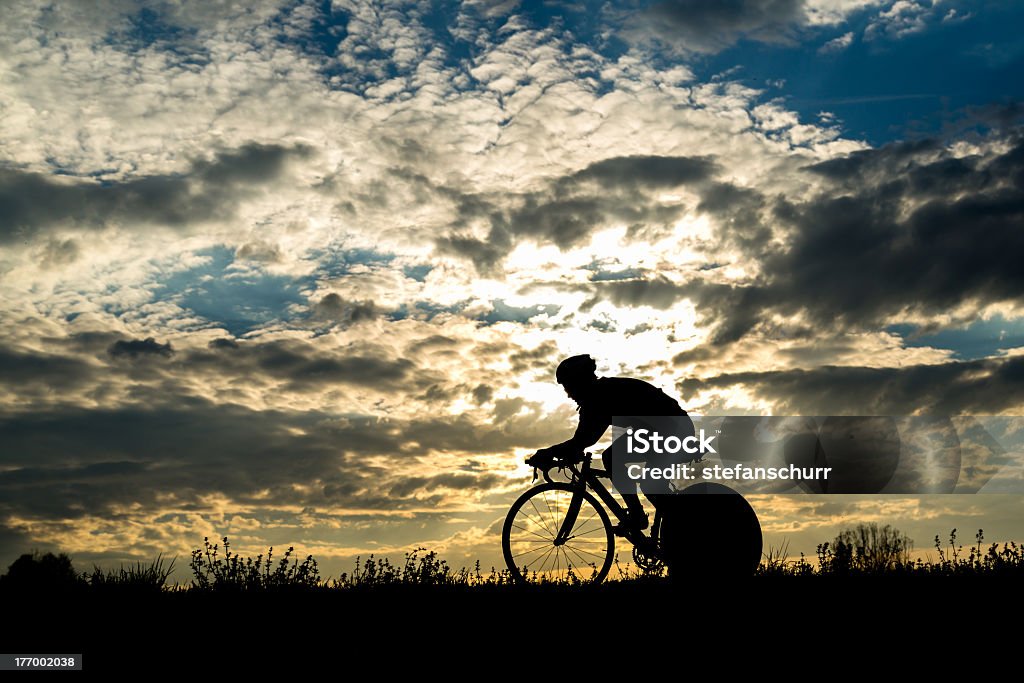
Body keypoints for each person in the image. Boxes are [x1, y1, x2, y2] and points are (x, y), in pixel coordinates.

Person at [530, 354, 693, 533]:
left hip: (672, 430)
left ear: (580, 382)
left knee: (621, 463)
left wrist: (549, 453)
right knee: (626, 466)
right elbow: (582, 441)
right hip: (668, 428)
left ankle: (657, 522)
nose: (569, 395)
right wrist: (560, 452)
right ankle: (667, 521)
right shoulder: (600, 392)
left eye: (569, 387)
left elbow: (582, 441)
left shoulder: (598, 397)